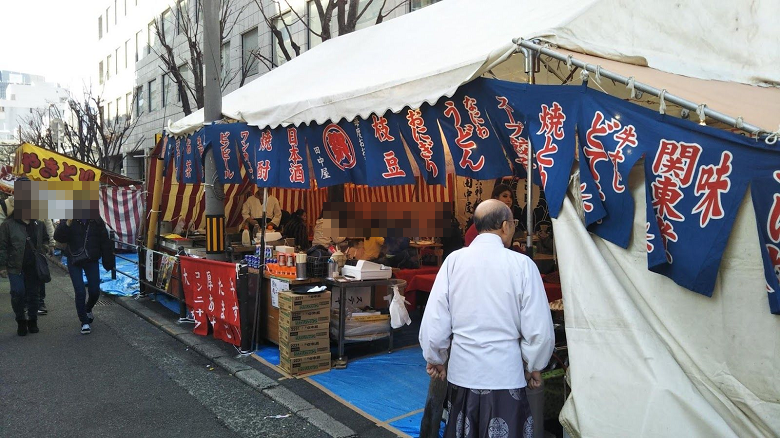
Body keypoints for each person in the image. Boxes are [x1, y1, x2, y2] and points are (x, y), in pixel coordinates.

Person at [419, 199, 555, 438]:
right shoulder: (522, 264)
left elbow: (435, 320)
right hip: (506, 374)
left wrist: (435, 357)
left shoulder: (454, 262)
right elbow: (539, 327)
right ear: (505, 226)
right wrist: (534, 365)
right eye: (513, 224)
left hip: (463, 374)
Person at [54, 218, 115, 335]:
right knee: (80, 291)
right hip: (74, 259)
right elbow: (58, 237)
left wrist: (108, 261)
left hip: (91, 259)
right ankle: (84, 321)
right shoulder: (69, 218)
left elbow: (105, 241)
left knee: (94, 291)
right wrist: (67, 224)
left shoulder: (96, 220)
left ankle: (88, 309)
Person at [0, 208, 50, 336]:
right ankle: (21, 320)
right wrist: (2, 266)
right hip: (14, 266)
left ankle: (32, 320)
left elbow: (45, 239)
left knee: (34, 295)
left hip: (33, 266)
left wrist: (45, 247)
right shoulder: (8, 225)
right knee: (18, 293)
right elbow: (2, 246)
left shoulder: (38, 224)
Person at [37, 218, 55, 315]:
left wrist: (51, 243)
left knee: (40, 274)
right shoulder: (9, 204)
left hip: (38, 248)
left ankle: (40, 302)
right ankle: (25, 302)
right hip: (18, 251)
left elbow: (48, 223)